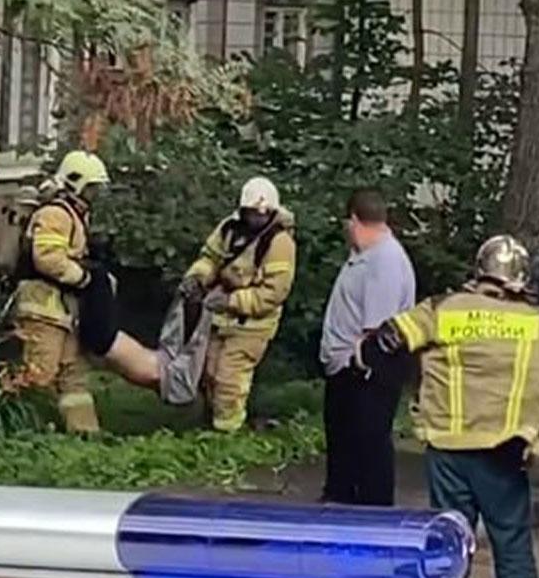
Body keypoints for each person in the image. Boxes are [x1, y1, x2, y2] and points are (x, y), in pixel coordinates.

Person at [356, 235, 539, 578]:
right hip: (506, 453)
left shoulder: (443, 310)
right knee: (512, 548)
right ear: (520, 277)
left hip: (448, 448)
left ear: (480, 271)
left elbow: (383, 344)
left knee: (449, 546)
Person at [318, 188, 417, 505]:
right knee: (347, 442)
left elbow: (378, 327)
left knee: (369, 443)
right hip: (350, 369)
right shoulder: (366, 256)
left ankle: (371, 510)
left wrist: (358, 361)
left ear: (354, 221)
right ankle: (341, 497)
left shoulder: (384, 261)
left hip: (367, 371)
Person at [178, 177, 298, 433]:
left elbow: (273, 293)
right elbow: (210, 258)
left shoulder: (280, 243)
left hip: (253, 324)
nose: (256, 218)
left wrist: (232, 301)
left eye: (262, 213)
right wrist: (197, 278)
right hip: (220, 318)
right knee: (208, 373)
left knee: (229, 379)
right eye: (252, 213)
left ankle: (227, 432)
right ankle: (213, 423)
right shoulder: (229, 229)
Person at [10, 150, 109, 434]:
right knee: (39, 375)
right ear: (75, 182)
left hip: (63, 310)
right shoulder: (55, 213)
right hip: (43, 310)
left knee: (74, 373)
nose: (94, 194)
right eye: (91, 187)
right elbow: (48, 258)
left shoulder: (75, 213)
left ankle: (85, 432)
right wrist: (84, 278)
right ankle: (31, 433)